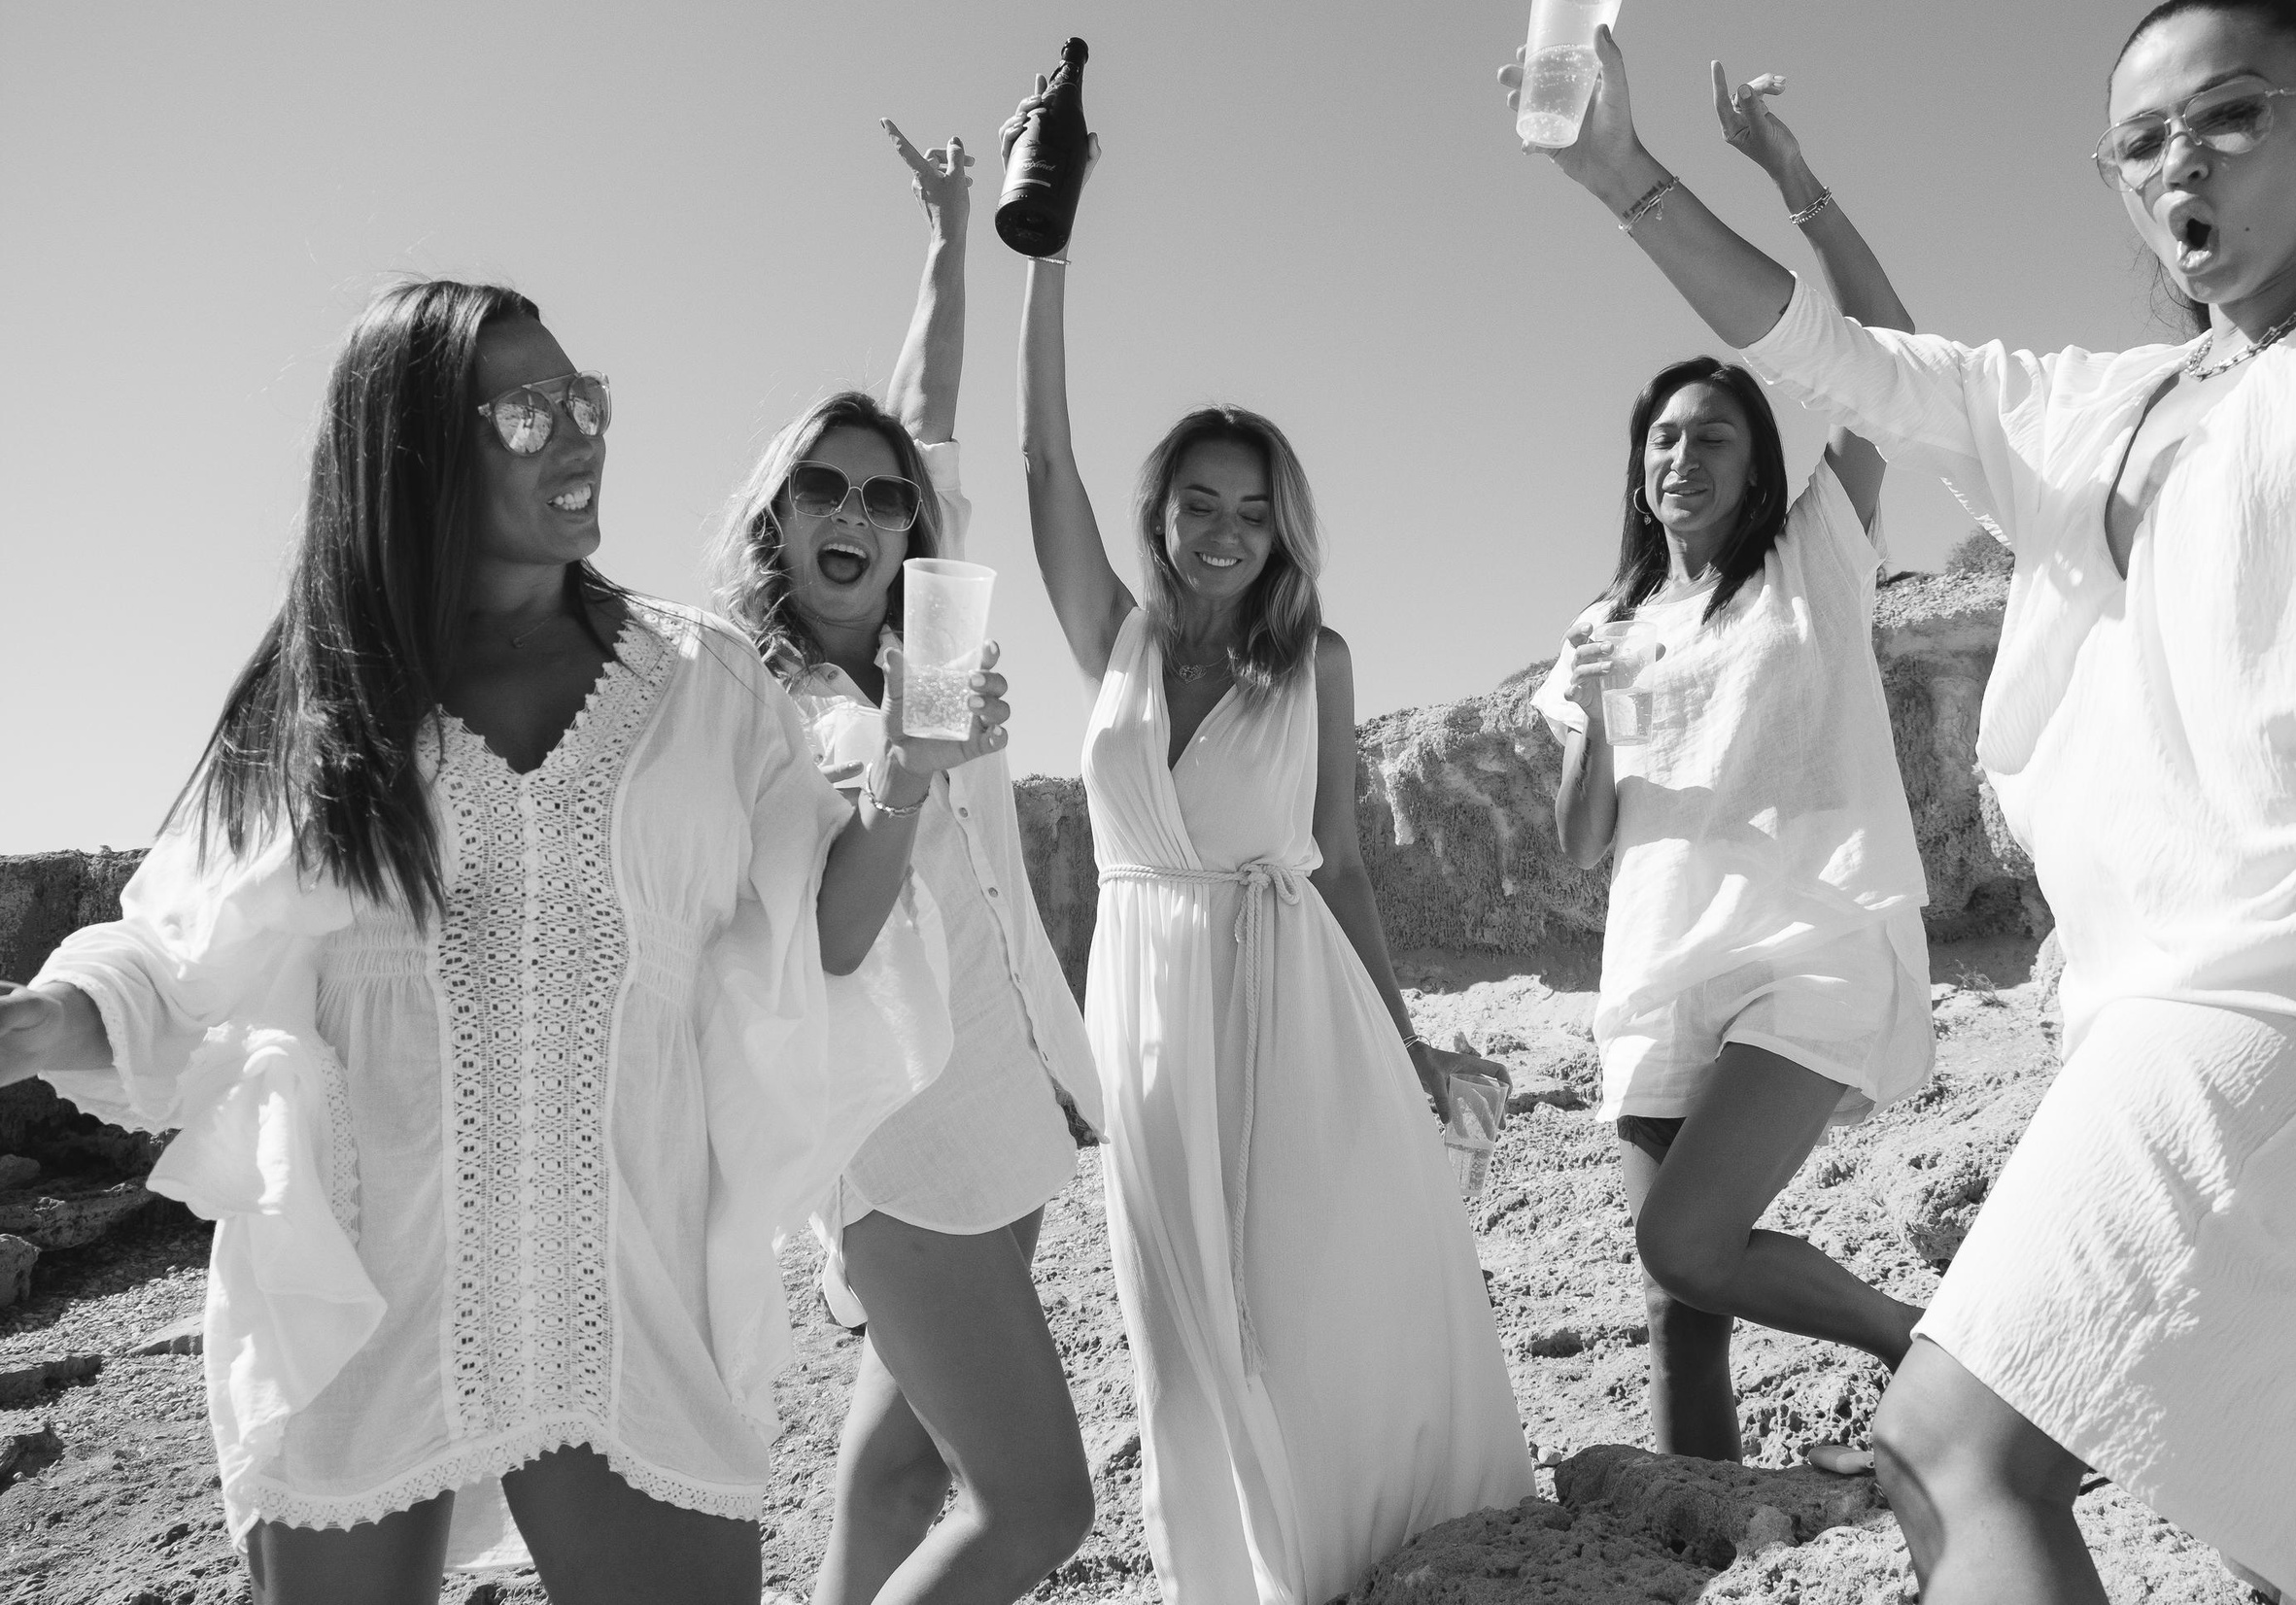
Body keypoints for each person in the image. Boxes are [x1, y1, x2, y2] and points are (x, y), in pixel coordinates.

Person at [1502, 0, 2296, 1605]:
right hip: (2135, 991)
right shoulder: (2095, 405)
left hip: (2274, 989)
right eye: (2143, 140)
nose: (2189, 162)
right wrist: (1622, 177)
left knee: (1952, 1457)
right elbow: (1840, 351)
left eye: (2234, 113)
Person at [0, 279, 967, 1604]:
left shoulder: (707, 682)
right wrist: (42, 1018)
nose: (583, 437)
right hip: (362, 1289)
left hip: (621, 1297)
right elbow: (182, 939)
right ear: (416, 454)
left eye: (589, 400)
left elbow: (822, 941)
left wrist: (908, 778)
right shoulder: (329, 696)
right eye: (532, 412)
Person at [1011, 107, 1532, 1604]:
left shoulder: (1322, 661)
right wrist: (1050, 248)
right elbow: (1039, 447)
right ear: (1160, 515)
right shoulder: (1103, 635)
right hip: (1146, 988)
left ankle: (1359, 1545)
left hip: (1292, 987)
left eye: (1253, 510)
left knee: (1312, 1287)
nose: (1225, 530)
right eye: (1199, 503)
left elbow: (1347, 864)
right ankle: (1234, 1574)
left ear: (1280, 529)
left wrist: (1409, 1038)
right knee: (1176, 1300)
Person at [705, 120, 1104, 1605]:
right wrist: (910, 777)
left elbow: (923, 408)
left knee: (898, 1467)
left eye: (882, 498)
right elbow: (825, 945)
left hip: (1003, 1088)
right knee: (1041, 1509)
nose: (861, 513)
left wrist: (949, 230)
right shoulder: (754, 706)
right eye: (825, 489)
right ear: (777, 516)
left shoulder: (920, 640)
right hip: (901, 1142)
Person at [1534, 68, 1934, 1467]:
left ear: (1756, 460)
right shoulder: (1604, 626)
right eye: (1660, 436)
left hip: (1806, 937)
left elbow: (1891, 352)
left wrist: (1794, 181)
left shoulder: (1814, 556)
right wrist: (1584, 718)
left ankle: (1919, 1352)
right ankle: (1703, 1529)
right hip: (1658, 961)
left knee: (1685, 1236)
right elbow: (1584, 843)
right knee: (1676, 1300)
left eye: (1710, 432)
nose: (1680, 453)